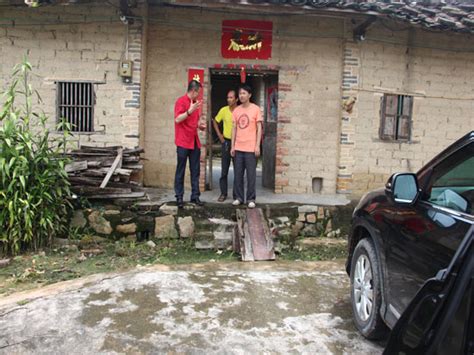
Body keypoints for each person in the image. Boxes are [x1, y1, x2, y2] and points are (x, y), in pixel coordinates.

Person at [173, 80, 206, 209]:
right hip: (182, 141)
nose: (198, 95)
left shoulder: (196, 104)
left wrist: (200, 126)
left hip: (194, 141)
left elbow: (195, 122)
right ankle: (179, 197)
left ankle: (195, 196)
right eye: (198, 92)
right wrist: (189, 111)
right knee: (180, 170)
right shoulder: (181, 101)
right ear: (193, 91)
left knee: (195, 170)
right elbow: (177, 119)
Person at [231, 84, 263, 209]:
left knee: (251, 175)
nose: (241, 96)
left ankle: (251, 198)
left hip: (250, 148)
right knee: (238, 174)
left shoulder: (255, 109)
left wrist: (257, 146)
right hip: (238, 147)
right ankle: (238, 197)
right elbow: (234, 129)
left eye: (244, 93)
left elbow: (259, 129)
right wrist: (232, 146)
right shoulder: (236, 110)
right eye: (240, 93)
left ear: (249, 95)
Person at [212, 89, 238, 202]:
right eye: (228, 97)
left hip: (238, 143)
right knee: (224, 170)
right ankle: (223, 193)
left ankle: (236, 195)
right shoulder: (223, 110)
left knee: (238, 170)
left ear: (236, 99)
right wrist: (220, 135)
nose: (229, 99)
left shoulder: (240, 111)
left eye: (231, 97)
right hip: (226, 142)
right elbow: (215, 121)